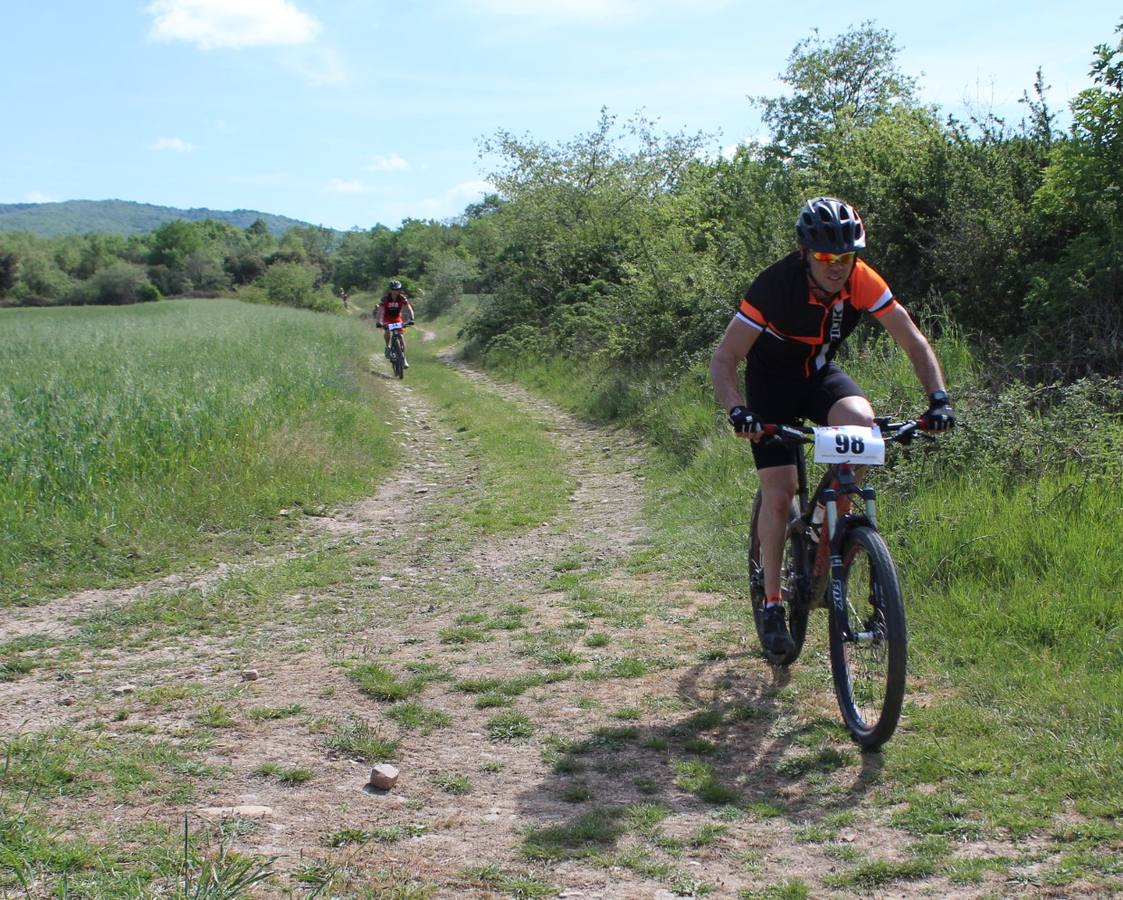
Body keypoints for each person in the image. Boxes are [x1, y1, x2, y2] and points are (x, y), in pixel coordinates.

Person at [710, 197, 955, 656]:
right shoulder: (774, 286)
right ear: (805, 253)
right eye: (826, 258)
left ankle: (833, 529)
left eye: (846, 257)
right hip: (771, 387)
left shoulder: (861, 281)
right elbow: (724, 359)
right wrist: (737, 411)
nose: (837, 267)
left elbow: (913, 341)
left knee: (862, 427)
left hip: (818, 376)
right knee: (779, 495)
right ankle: (773, 602)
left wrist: (938, 399)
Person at [374, 280, 416, 366]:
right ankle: (387, 346)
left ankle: (404, 359)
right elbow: (380, 311)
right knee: (387, 331)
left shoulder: (402, 298)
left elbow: (409, 308)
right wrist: (379, 322)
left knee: (401, 335)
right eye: (394, 289)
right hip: (387, 318)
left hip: (397, 318)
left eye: (398, 289)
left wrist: (412, 318)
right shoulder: (385, 299)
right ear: (390, 290)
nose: (396, 291)